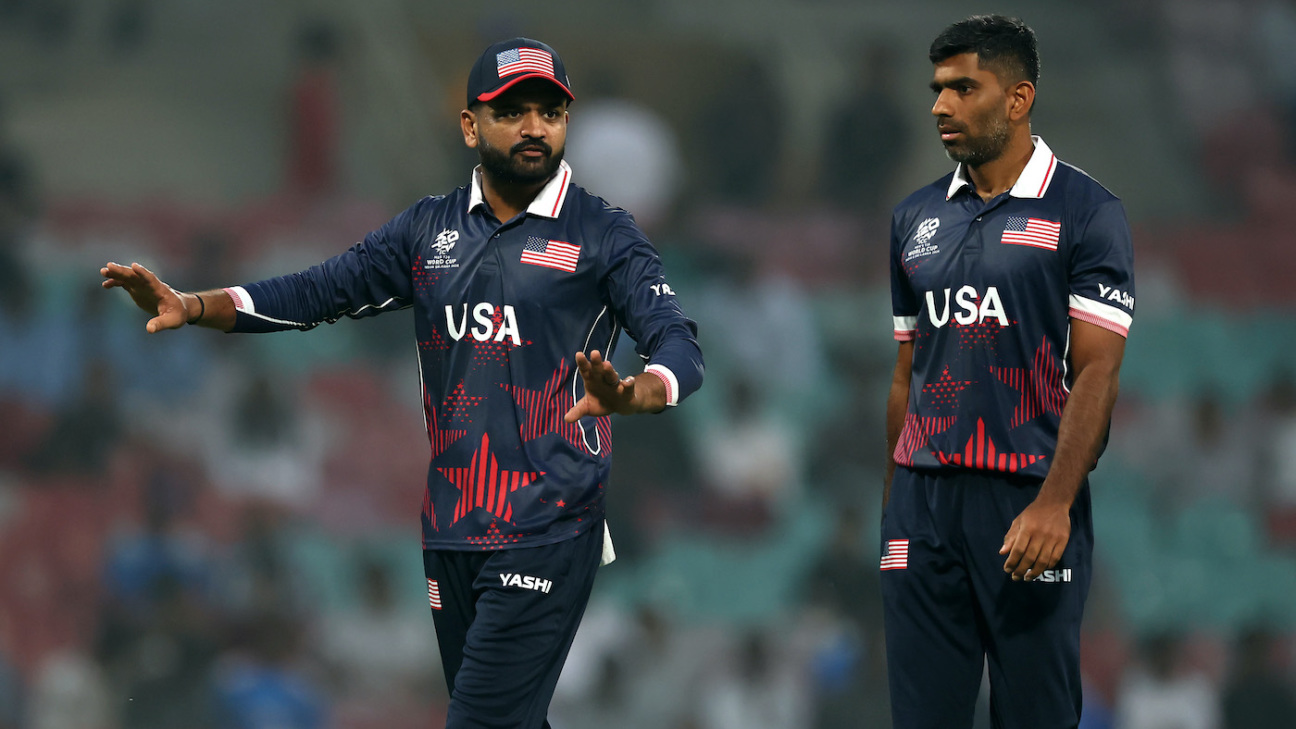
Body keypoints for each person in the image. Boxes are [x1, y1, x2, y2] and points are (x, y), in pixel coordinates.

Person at [100, 37, 704, 729]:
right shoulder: (427, 230)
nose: (534, 126)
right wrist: (194, 305)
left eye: (550, 111)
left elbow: (678, 344)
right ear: (471, 125)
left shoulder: (604, 235)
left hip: (550, 522)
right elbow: (317, 291)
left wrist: (637, 392)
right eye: (512, 111)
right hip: (452, 525)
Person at [882, 16, 1134, 729]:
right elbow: (906, 373)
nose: (941, 105)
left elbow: (1098, 373)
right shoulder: (914, 217)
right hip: (922, 507)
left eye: (964, 88)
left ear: (1018, 98)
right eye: (937, 89)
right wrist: (892, 510)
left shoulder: (1088, 212)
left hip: (1027, 501)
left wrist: (1055, 503)